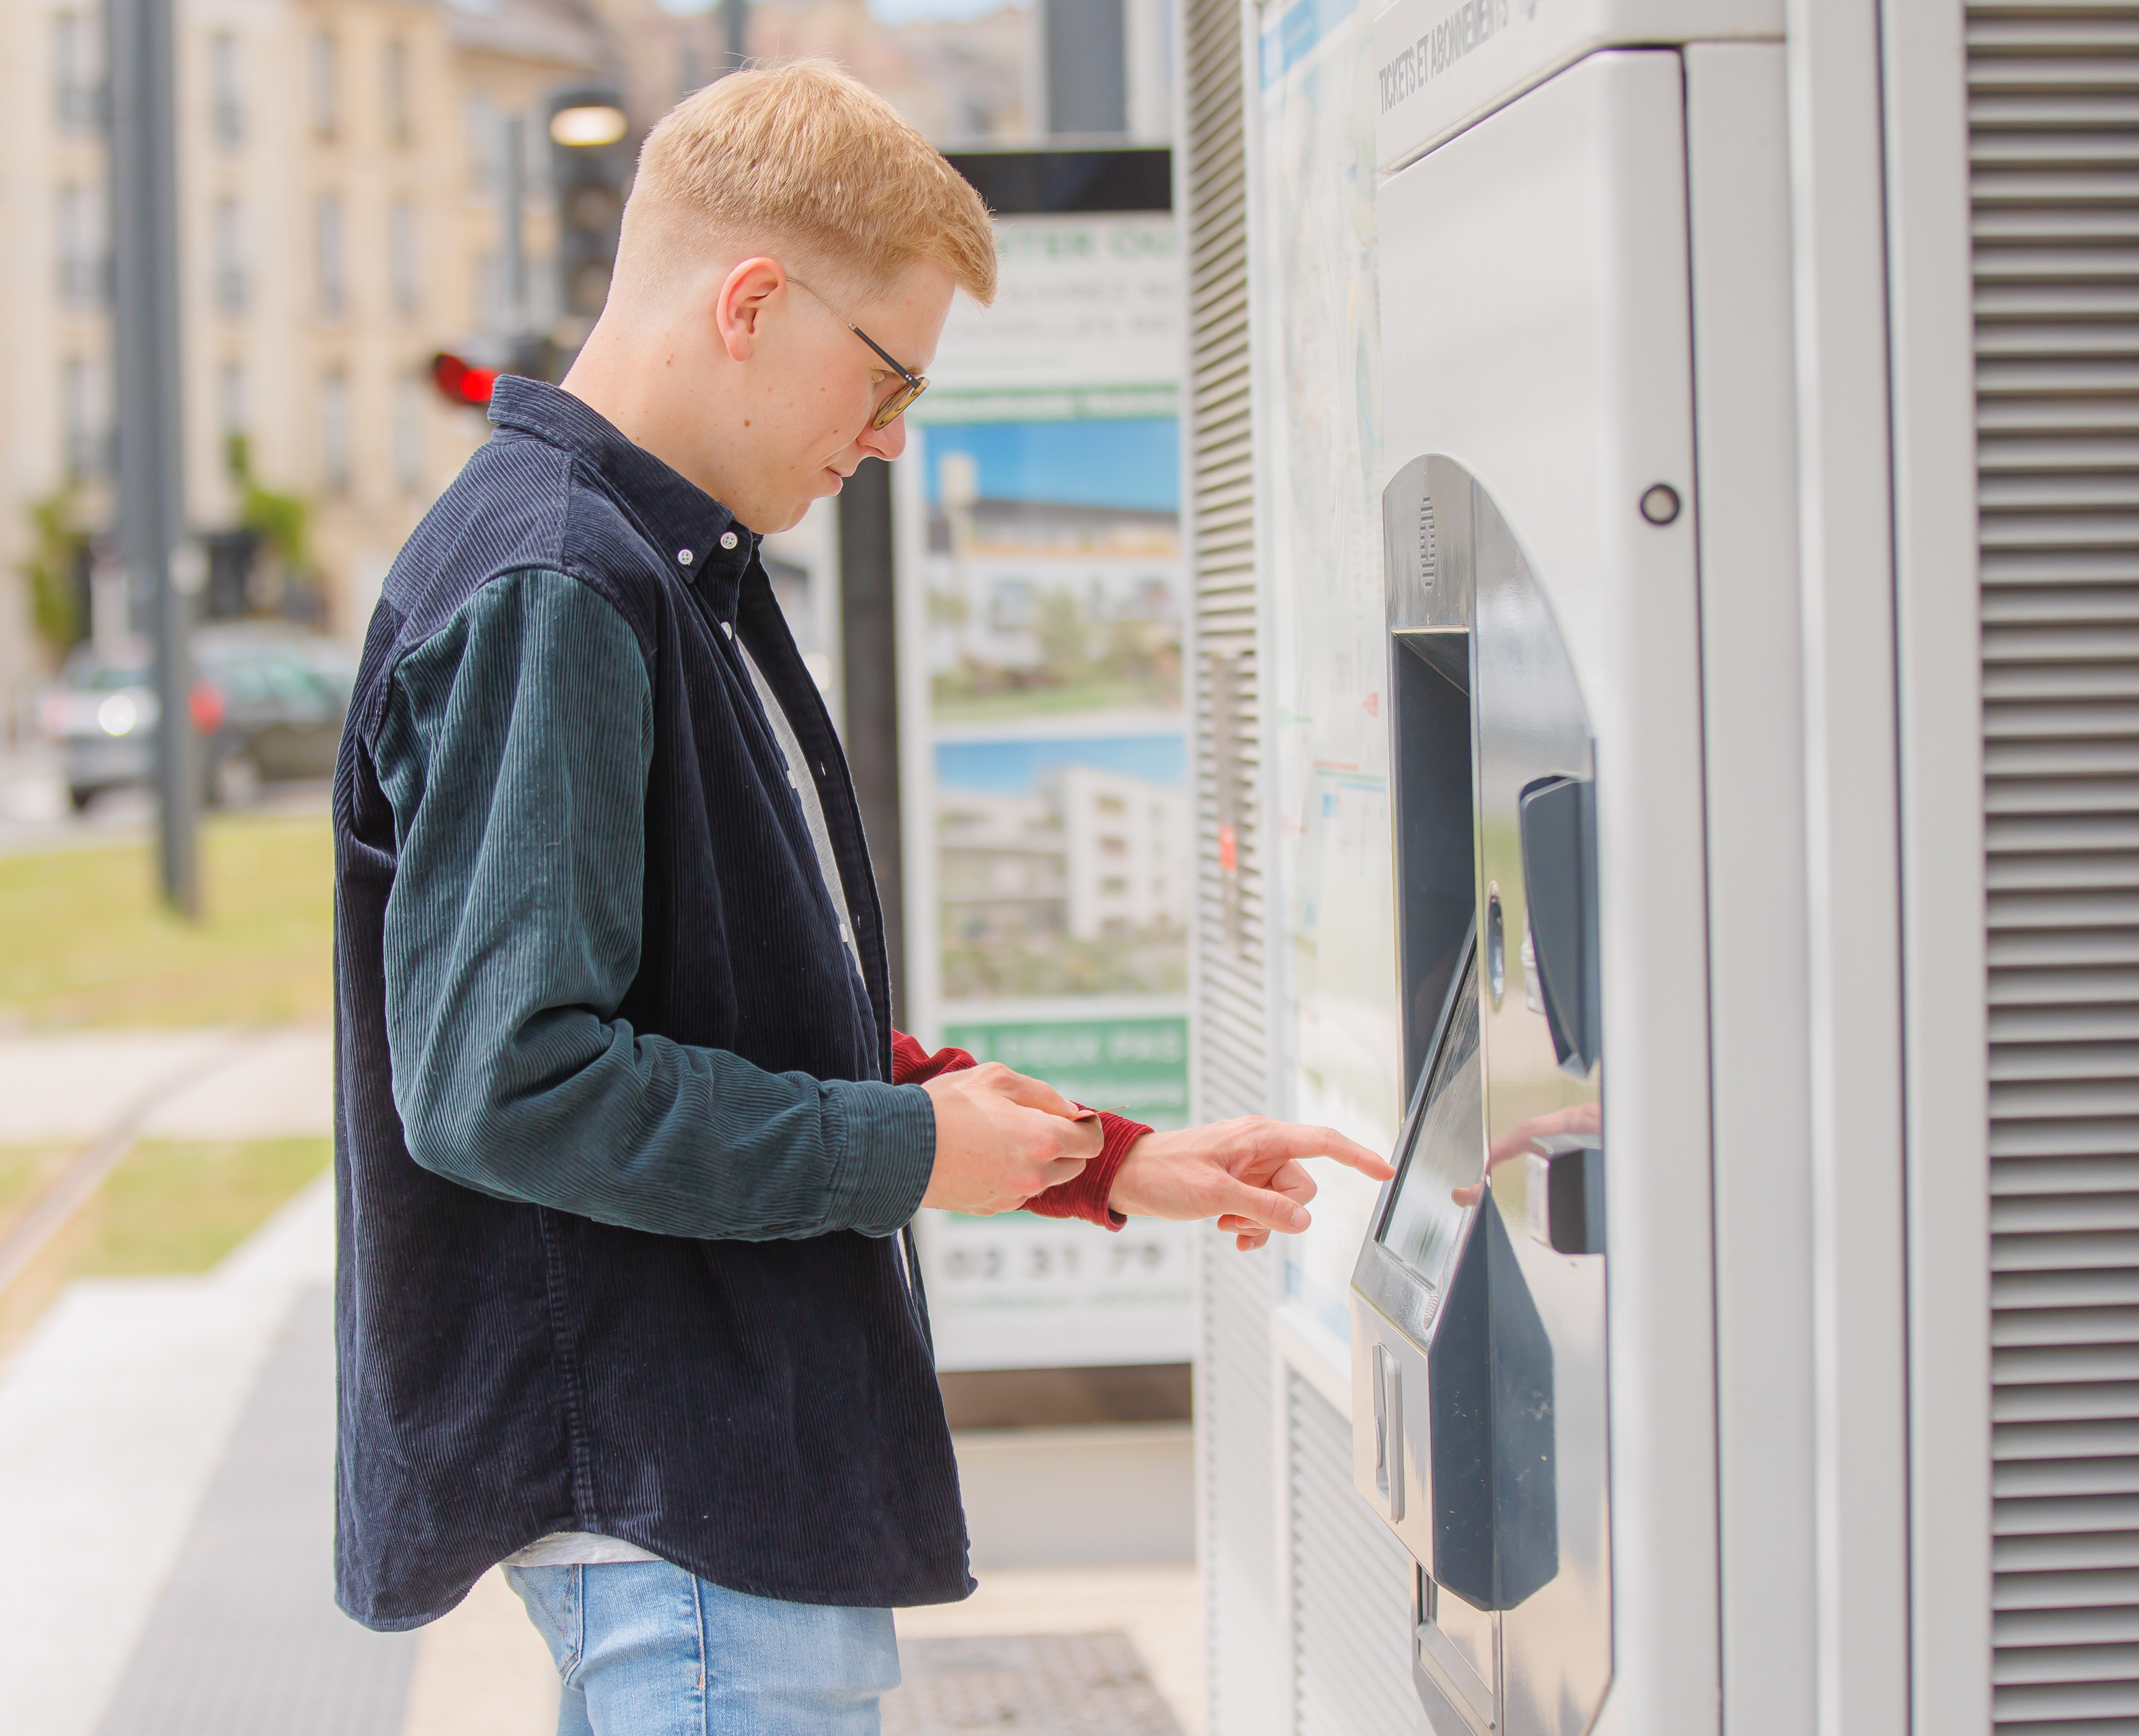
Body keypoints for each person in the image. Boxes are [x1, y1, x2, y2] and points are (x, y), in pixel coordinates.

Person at [330, 60, 1389, 1734]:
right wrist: (907, 1150)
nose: (891, 439)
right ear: (751, 301)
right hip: (685, 1499)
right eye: (887, 376)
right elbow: (503, 1082)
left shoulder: (644, 569)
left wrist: (1102, 1160)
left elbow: (730, 1005)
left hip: (704, 1492)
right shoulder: (559, 581)